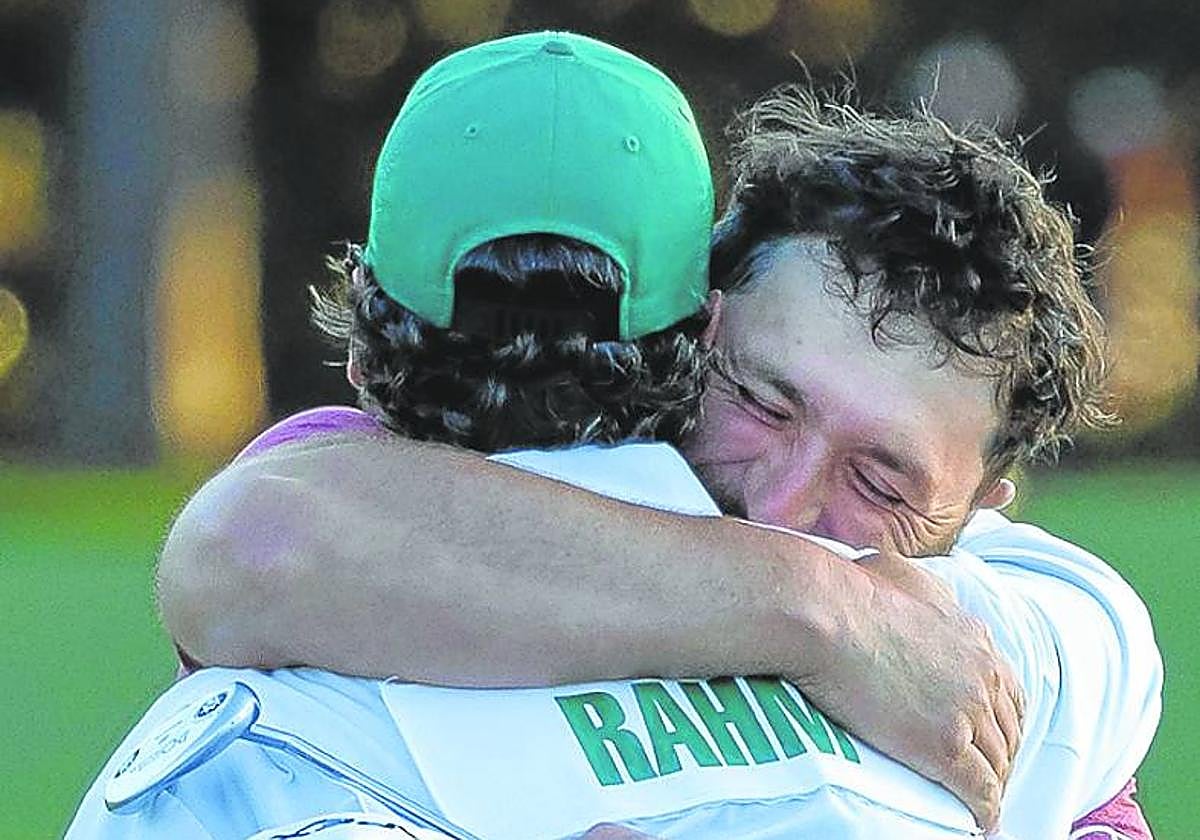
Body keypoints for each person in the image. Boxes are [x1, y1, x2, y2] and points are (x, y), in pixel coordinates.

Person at [155, 65, 1162, 837]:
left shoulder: (1012, 663)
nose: (781, 505)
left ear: (984, 502)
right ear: (697, 335)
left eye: (877, 478)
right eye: (764, 405)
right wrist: (824, 613)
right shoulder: (403, 503)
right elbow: (260, 543)